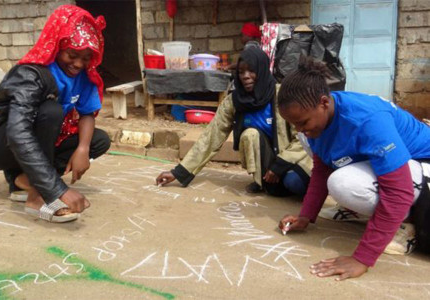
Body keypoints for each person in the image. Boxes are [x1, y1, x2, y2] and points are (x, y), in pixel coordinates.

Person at [277, 56, 430, 280]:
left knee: (343, 183)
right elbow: (323, 167)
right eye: (294, 124)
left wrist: (362, 258)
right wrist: (306, 216)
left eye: (303, 122)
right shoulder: (319, 119)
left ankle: (406, 223)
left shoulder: (367, 121)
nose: (300, 129)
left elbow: (399, 191)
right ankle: (371, 212)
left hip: (423, 165)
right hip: (401, 164)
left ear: (324, 103)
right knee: (335, 174)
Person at [0, 5, 110, 223]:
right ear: (58, 45)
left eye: (86, 57)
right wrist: (57, 189)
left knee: (98, 140)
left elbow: (87, 113)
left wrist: (83, 149)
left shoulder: (84, 76)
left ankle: (22, 180)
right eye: (72, 54)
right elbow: (18, 132)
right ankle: (37, 195)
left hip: (36, 140)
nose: (78, 64)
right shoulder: (31, 74)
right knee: (50, 111)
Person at [156, 47, 312, 197]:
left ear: (263, 70)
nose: (245, 76)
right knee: (250, 134)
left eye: (252, 71)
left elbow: (303, 137)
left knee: (294, 183)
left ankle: (290, 184)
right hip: (267, 165)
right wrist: (179, 172)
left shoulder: (282, 95)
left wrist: (280, 165)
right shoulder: (234, 102)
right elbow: (211, 137)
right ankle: (262, 182)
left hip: (291, 158)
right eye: (241, 72)